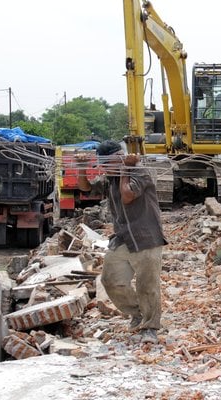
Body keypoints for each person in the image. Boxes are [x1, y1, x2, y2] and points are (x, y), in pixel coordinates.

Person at [77, 140, 167, 343]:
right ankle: (137, 312)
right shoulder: (110, 177)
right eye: (102, 164)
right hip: (122, 238)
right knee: (110, 280)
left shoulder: (139, 172)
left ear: (121, 158)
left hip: (146, 238)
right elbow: (85, 188)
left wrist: (125, 168)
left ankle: (150, 327)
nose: (104, 168)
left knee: (147, 285)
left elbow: (127, 195)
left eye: (108, 164)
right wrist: (81, 168)